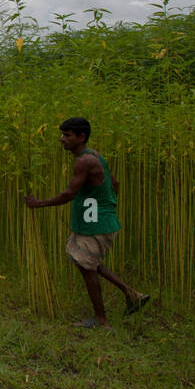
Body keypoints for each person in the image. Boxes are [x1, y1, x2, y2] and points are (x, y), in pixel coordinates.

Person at [24, 116, 149, 328]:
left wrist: (39, 204)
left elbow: (69, 194)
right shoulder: (95, 156)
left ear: (81, 137)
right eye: (62, 134)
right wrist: (105, 206)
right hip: (95, 220)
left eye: (67, 135)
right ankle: (132, 294)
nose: (62, 139)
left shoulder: (84, 161)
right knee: (87, 261)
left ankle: (101, 320)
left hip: (96, 224)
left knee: (87, 267)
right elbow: (114, 183)